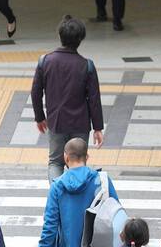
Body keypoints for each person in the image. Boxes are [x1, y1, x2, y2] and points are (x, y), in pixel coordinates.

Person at [35, 138, 117, 247]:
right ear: (87, 157)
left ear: (65, 157)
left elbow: (50, 224)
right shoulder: (102, 181)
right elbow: (115, 215)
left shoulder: (57, 186)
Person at [31, 15, 105, 182]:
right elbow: (94, 99)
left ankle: (57, 196)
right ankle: (77, 197)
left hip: (56, 122)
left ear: (60, 36)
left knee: (56, 162)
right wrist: (98, 127)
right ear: (80, 39)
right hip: (80, 123)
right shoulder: (87, 65)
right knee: (79, 161)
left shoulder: (45, 61)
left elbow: (36, 92)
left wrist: (40, 117)